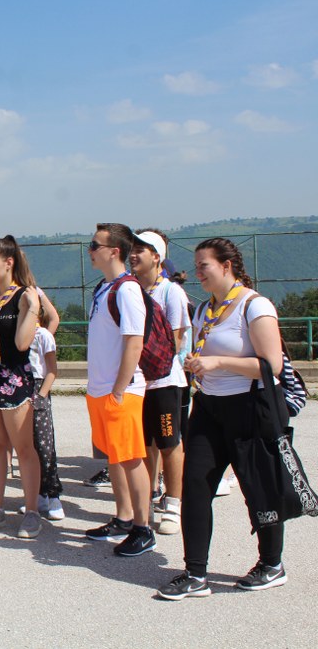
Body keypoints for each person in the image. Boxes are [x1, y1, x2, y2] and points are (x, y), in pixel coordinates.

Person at [158, 238, 288, 600]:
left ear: (226, 266)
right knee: (195, 486)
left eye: (204, 266)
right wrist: (196, 364)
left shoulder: (254, 305)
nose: (197, 272)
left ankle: (271, 564)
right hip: (209, 406)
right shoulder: (205, 309)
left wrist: (219, 362)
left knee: (257, 488)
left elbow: (271, 365)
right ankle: (195, 573)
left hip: (251, 406)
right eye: (197, 265)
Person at [83, 223, 156, 557]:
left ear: (114, 251)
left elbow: (134, 342)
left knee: (130, 457)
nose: (90, 250)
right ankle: (124, 517)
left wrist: (118, 389)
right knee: (115, 456)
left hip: (120, 390)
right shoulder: (105, 287)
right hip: (101, 389)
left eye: (95, 245)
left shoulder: (126, 290)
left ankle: (144, 527)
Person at [0, 236, 42, 539]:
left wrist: (33, 309)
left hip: (15, 376)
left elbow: (22, 343)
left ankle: (32, 511)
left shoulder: (25, 295)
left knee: (23, 447)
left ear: (8, 262)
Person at [131, 230, 190, 536]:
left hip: (165, 381)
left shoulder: (171, 292)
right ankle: (148, 498)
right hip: (137, 384)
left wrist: (152, 361)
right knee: (143, 446)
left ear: (156, 257)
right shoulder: (129, 289)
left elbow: (178, 338)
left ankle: (174, 505)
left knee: (169, 443)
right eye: (132, 249)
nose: (133, 255)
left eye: (140, 250)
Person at [29, 315, 64, 520]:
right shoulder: (17, 334)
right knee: (29, 447)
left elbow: (52, 370)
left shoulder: (43, 335)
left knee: (44, 445)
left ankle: (54, 495)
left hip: (38, 388)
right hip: (20, 388)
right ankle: (38, 495)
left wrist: (41, 395)